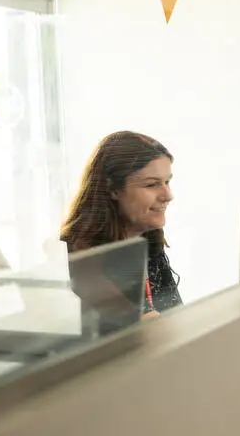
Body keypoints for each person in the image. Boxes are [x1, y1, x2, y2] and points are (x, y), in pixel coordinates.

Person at [60, 131, 182, 318]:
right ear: (113, 190)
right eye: (151, 185)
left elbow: (175, 318)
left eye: (167, 182)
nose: (168, 195)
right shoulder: (80, 259)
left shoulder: (148, 240)